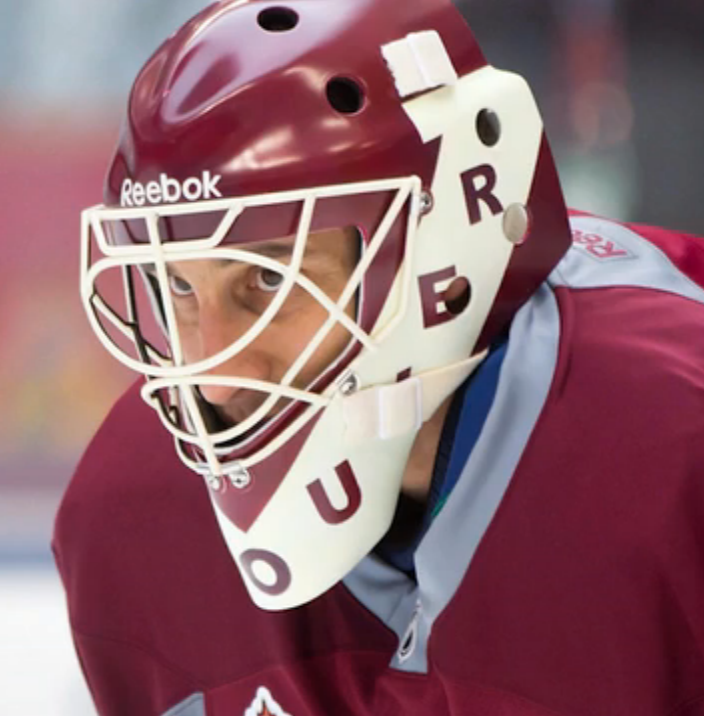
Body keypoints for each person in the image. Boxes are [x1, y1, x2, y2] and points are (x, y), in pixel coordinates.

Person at [54, 0, 704, 714]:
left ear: (438, 243)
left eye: (270, 280)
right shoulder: (132, 513)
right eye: (178, 284)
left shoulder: (670, 446)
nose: (210, 375)